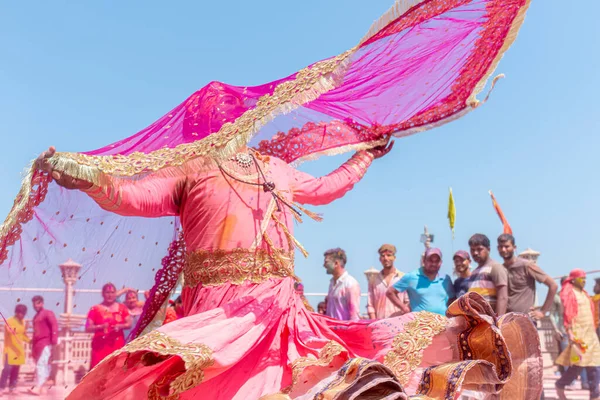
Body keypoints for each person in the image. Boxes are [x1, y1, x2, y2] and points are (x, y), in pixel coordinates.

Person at [39, 137, 540, 398]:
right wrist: (86, 175)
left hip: (279, 314)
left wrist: (364, 157)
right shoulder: (189, 168)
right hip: (214, 318)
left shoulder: (271, 168)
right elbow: (131, 195)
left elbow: (327, 187)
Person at [555, 269, 600, 400]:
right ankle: (560, 385)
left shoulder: (585, 294)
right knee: (578, 366)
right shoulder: (568, 293)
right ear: (573, 279)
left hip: (591, 334)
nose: (584, 282)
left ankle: (595, 394)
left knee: (595, 365)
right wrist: (570, 332)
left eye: (585, 279)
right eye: (581, 279)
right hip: (578, 334)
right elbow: (567, 315)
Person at [497, 234, 558, 319]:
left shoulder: (526, 266)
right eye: (501, 247)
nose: (504, 250)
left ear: (514, 248)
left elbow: (553, 285)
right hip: (507, 321)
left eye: (507, 246)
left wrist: (543, 312)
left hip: (525, 320)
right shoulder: (500, 269)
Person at [386, 248, 455, 315]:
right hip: (420, 324)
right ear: (424, 261)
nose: (433, 264)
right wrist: (404, 308)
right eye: (430, 260)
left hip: (442, 323)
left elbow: (452, 299)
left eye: (437, 261)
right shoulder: (412, 276)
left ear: (441, 262)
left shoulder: (446, 279)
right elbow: (390, 292)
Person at [85, 283, 132, 369]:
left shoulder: (122, 308)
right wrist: (101, 326)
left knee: (116, 369)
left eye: (112, 292)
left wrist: (120, 326)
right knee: (99, 370)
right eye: (107, 292)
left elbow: (129, 324)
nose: (110, 295)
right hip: (100, 346)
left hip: (117, 344)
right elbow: (88, 327)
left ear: (115, 294)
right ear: (102, 294)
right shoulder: (95, 309)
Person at [467, 234, 508, 315]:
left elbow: (503, 297)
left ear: (488, 249)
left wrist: (498, 322)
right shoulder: (474, 273)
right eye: (472, 250)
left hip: (490, 321)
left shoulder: (495, 267)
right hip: (477, 321)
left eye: (479, 249)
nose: (475, 253)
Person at [366, 244, 408, 319]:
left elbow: (407, 302)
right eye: (383, 256)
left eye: (389, 255)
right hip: (379, 323)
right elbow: (370, 305)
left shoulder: (402, 278)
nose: (386, 258)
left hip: (398, 324)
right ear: (380, 259)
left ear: (394, 258)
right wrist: (374, 322)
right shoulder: (373, 280)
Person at [28, 295, 58, 396]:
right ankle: (41, 386)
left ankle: (38, 387)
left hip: (45, 342)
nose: (35, 306)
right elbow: (35, 332)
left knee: (41, 364)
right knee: (41, 364)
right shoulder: (35, 317)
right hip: (37, 344)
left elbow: (54, 326)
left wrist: (54, 341)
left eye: (38, 303)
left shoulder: (48, 313)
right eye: (34, 304)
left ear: (42, 303)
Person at [323, 248, 361, 321]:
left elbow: (354, 315)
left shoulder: (350, 284)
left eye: (326, 262)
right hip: (332, 329)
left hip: (345, 330)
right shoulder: (332, 284)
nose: (324, 265)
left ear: (336, 263)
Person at [0, 304, 29, 394]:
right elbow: (10, 331)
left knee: (16, 369)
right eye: (20, 313)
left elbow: (23, 335)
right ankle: (1, 388)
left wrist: (30, 340)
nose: (22, 315)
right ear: (16, 312)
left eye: (23, 313)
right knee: (7, 369)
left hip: (19, 351)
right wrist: (11, 330)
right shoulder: (9, 321)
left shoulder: (23, 322)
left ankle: (12, 387)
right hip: (10, 349)